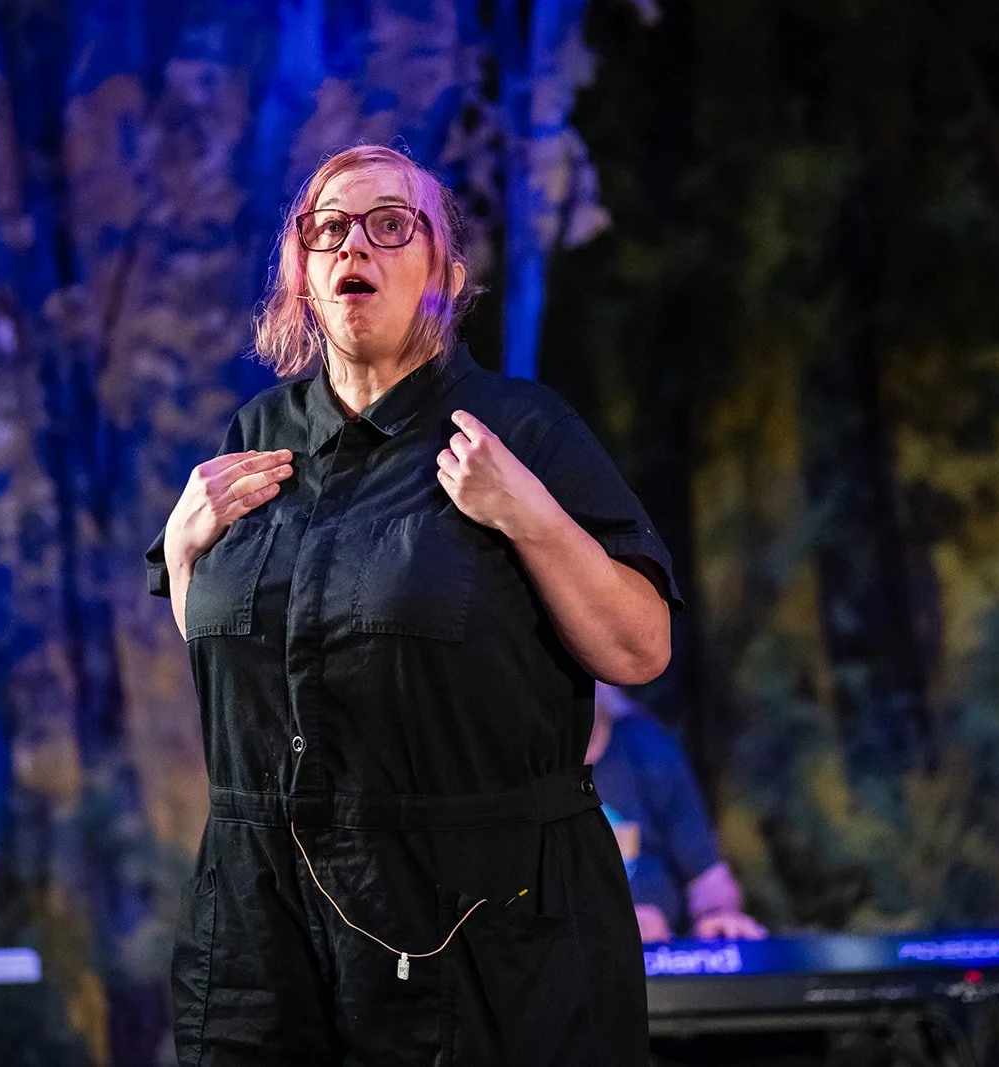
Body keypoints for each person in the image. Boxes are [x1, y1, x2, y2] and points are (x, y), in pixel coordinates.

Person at [147, 144, 683, 1067]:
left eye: (393, 225)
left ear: (446, 271)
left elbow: (640, 649)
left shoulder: (517, 430)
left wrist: (532, 517)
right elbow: (238, 665)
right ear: (305, 273)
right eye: (330, 229)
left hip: (467, 925)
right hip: (260, 928)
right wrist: (185, 551)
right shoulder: (258, 436)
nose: (358, 244)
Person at [588, 684, 766, 944]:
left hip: (660, 958)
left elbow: (707, 877)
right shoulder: (519, 768)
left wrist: (717, 917)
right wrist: (610, 922)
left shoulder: (649, 749)